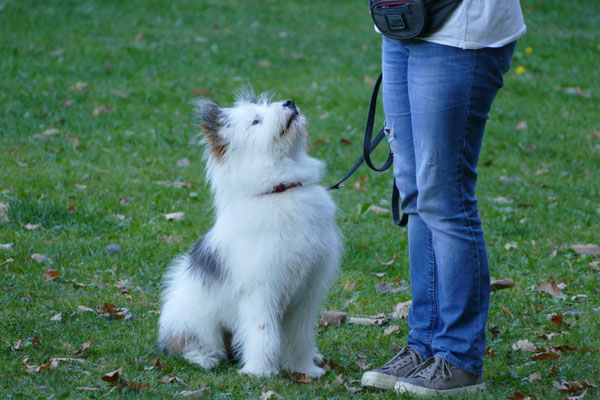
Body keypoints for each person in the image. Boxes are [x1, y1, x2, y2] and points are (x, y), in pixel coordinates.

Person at [360, 1, 526, 397]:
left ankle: (459, 358)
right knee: (415, 193)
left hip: (460, 31)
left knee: (444, 196)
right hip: (400, 20)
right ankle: (424, 345)